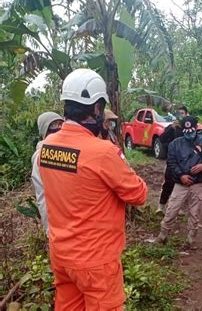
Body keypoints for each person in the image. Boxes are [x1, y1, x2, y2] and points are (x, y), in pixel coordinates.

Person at [38, 68, 148, 310]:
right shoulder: (102, 152)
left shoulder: (46, 148)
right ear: (97, 108)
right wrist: (118, 156)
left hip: (61, 255)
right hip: (96, 261)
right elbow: (138, 194)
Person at [157, 116, 202, 245]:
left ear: (196, 128)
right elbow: (171, 162)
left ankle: (191, 238)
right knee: (172, 209)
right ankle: (163, 235)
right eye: (186, 131)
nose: (189, 134)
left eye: (191, 131)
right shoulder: (175, 143)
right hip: (180, 184)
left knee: (195, 212)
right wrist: (181, 176)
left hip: (198, 183)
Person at [31, 112, 64, 234]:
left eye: (61, 124)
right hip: (56, 223)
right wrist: (49, 230)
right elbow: (42, 196)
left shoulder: (68, 152)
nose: (58, 128)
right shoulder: (40, 156)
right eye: (53, 125)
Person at [157, 106, 189, 213]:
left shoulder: (187, 129)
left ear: (186, 114)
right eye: (179, 113)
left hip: (184, 163)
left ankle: (178, 208)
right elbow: (162, 139)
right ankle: (161, 206)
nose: (181, 116)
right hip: (171, 162)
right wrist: (172, 128)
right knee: (168, 184)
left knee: (181, 185)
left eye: (183, 113)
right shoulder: (171, 128)